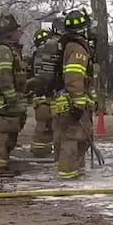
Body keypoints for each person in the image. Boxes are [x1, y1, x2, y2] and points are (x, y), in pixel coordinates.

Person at [53, 9, 95, 180]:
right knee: (72, 139)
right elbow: (74, 76)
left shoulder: (67, 45)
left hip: (65, 99)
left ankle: (74, 172)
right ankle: (68, 176)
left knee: (76, 139)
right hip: (72, 101)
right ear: (82, 29)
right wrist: (78, 103)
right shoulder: (77, 48)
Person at [0, 14, 26, 172]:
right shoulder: (2, 50)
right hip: (5, 102)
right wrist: (11, 97)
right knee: (1, 136)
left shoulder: (9, 49)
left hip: (11, 100)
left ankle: (1, 165)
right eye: (16, 30)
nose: (19, 33)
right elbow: (1, 76)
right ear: (8, 33)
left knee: (9, 134)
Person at [27, 18, 64, 158]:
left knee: (43, 126)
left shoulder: (37, 54)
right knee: (54, 124)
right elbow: (46, 76)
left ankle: (40, 150)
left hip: (40, 97)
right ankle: (55, 152)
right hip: (49, 95)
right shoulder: (50, 51)